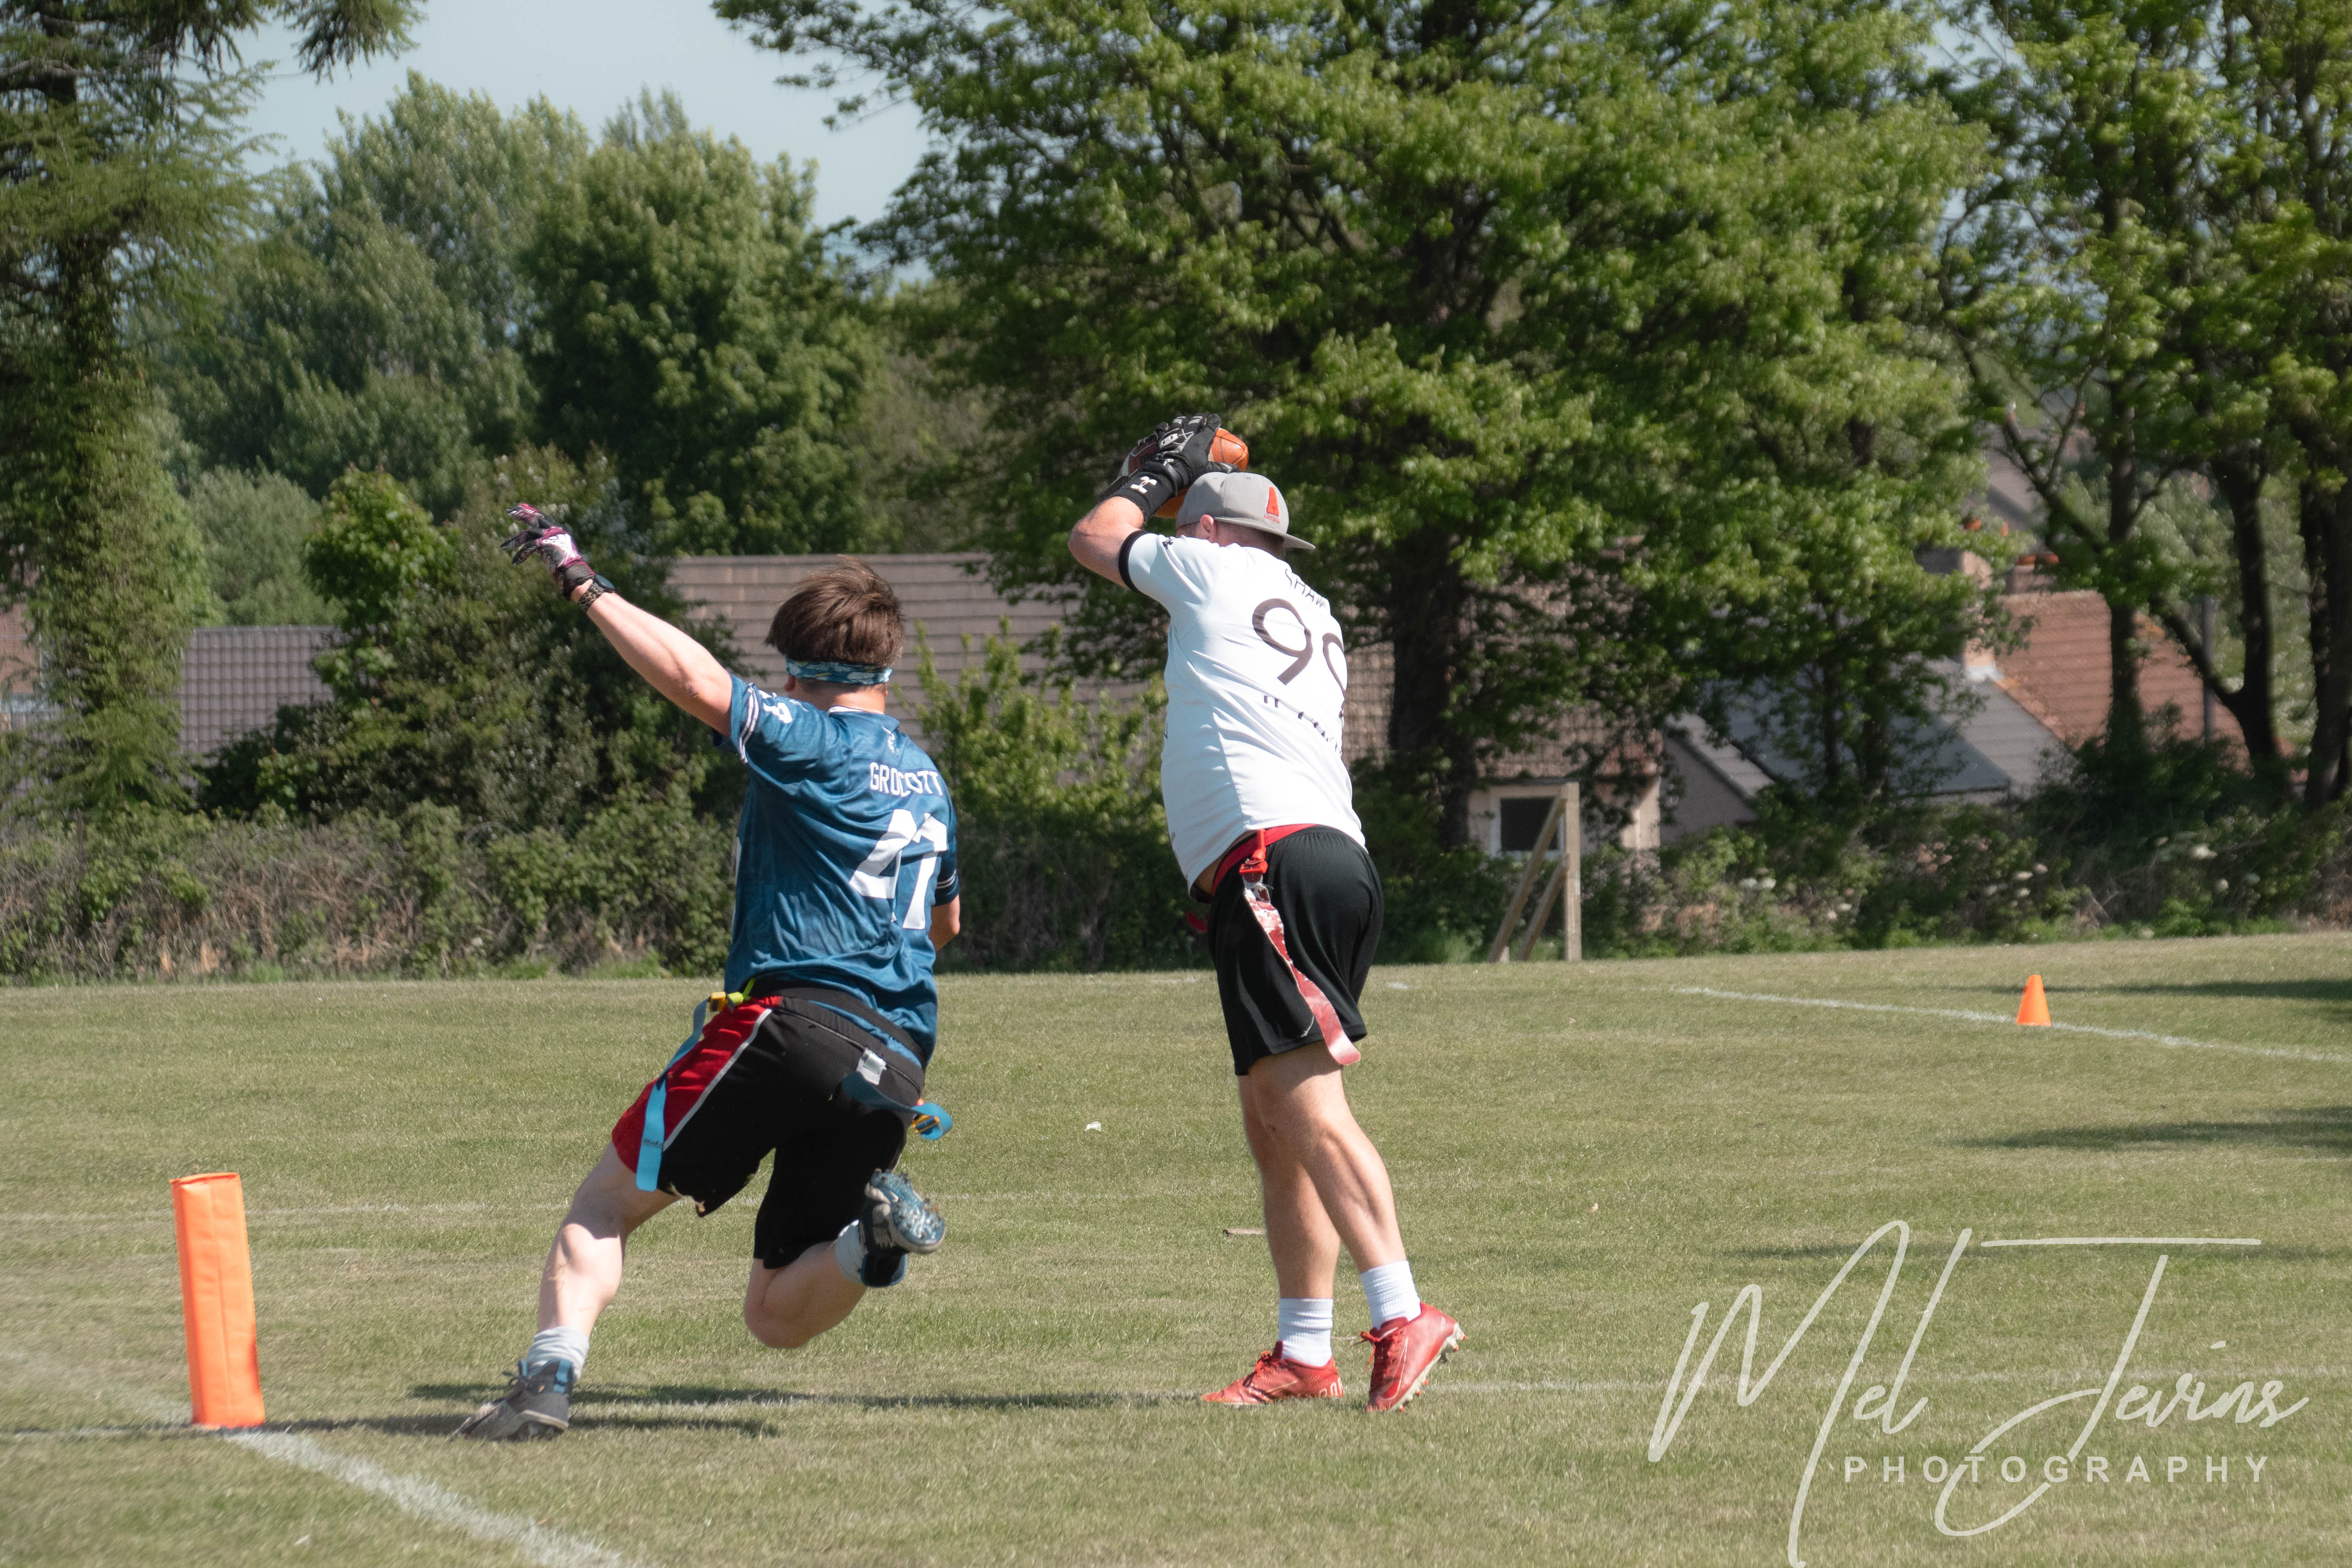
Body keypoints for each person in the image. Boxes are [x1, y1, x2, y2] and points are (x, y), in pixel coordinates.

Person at [455, 512, 962, 1441]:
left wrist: (584, 583)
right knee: (773, 1313)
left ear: (799, 670)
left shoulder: (812, 737)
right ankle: (873, 1241)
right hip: (897, 1060)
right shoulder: (928, 780)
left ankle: (545, 1382)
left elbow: (694, 679)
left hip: (794, 1023)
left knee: (603, 1205)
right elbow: (945, 924)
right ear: (887, 669)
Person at [1068, 414, 1463, 1413]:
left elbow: (1094, 537)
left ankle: (1404, 1310)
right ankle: (1304, 1353)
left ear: (1206, 532)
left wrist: (1153, 476)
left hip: (1271, 861)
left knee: (1305, 1107)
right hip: (1320, 859)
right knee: (1273, 1117)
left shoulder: (1211, 570)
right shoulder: (1308, 602)